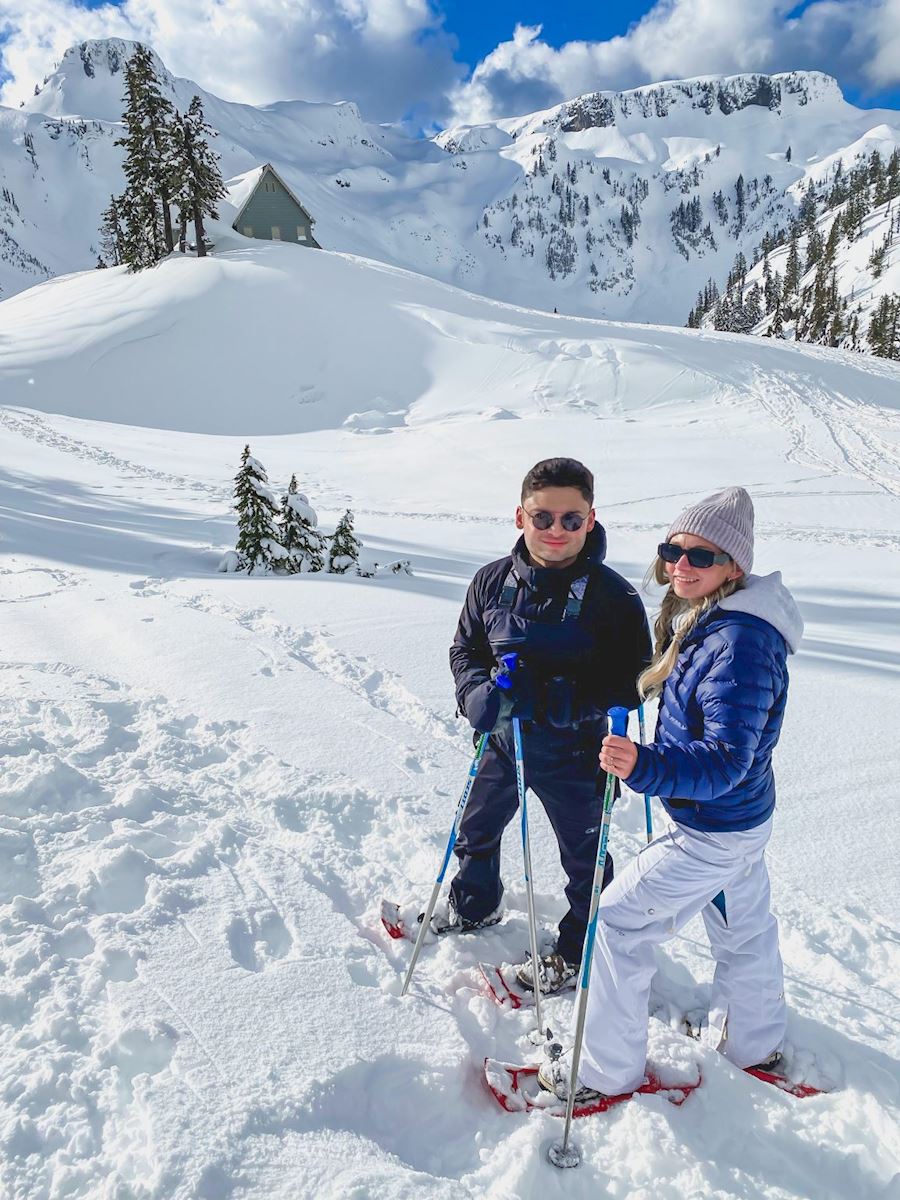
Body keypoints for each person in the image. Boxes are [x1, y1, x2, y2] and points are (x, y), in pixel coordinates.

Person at [539, 486, 803, 1100]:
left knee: (618, 922)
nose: (681, 565)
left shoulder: (740, 644)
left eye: (701, 556)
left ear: (734, 566)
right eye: (672, 551)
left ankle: (603, 1071)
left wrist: (645, 765)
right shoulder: (722, 622)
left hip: (713, 827)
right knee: (744, 930)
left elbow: (726, 760)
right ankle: (753, 1042)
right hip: (739, 822)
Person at [435, 457, 651, 994]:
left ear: (591, 518)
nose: (556, 530)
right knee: (476, 830)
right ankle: (474, 904)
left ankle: (581, 951)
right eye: (543, 517)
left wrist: (570, 699)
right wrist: (477, 696)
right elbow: (466, 649)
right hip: (503, 740)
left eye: (571, 519)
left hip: (578, 753)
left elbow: (638, 680)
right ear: (519, 517)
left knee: (587, 858)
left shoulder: (615, 597)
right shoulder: (492, 581)